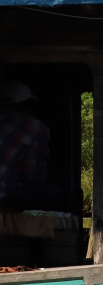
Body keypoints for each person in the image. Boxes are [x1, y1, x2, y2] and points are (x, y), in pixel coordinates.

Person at [0, 80, 49, 208]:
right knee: (54, 194)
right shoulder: (33, 126)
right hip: (3, 198)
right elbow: (34, 177)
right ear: (26, 106)